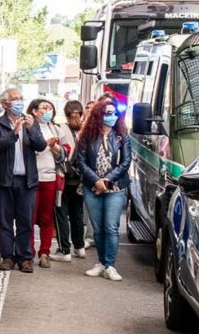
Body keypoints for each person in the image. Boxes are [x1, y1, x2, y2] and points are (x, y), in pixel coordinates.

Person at [0, 89, 46, 272]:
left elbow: (41, 145)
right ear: (5, 104)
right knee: (5, 220)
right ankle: (7, 257)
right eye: (15, 99)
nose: (19, 102)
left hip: (27, 180)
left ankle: (24, 257)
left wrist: (31, 129)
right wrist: (14, 132)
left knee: (25, 220)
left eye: (21, 98)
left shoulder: (31, 122)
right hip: (3, 180)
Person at [75, 94, 133, 281]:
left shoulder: (122, 136)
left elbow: (126, 162)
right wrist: (96, 181)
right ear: (98, 115)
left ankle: (110, 265)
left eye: (114, 113)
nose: (112, 116)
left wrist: (106, 181)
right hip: (92, 187)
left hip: (115, 188)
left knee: (111, 227)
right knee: (98, 228)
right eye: (108, 113)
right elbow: (81, 162)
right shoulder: (87, 136)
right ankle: (101, 262)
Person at [29, 98, 71, 268]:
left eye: (50, 108)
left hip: (51, 178)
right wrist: (44, 144)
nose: (48, 111)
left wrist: (54, 147)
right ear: (34, 111)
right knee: (29, 217)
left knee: (47, 217)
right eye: (44, 108)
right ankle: (29, 252)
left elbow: (65, 151)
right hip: (32, 178)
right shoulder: (29, 127)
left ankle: (45, 252)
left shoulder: (56, 129)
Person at [54, 100, 88, 262]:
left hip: (63, 178)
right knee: (77, 213)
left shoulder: (60, 129)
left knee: (61, 213)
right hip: (80, 180)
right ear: (81, 113)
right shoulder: (86, 131)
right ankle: (80, 247)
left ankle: (64, 250)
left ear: (65, 113)